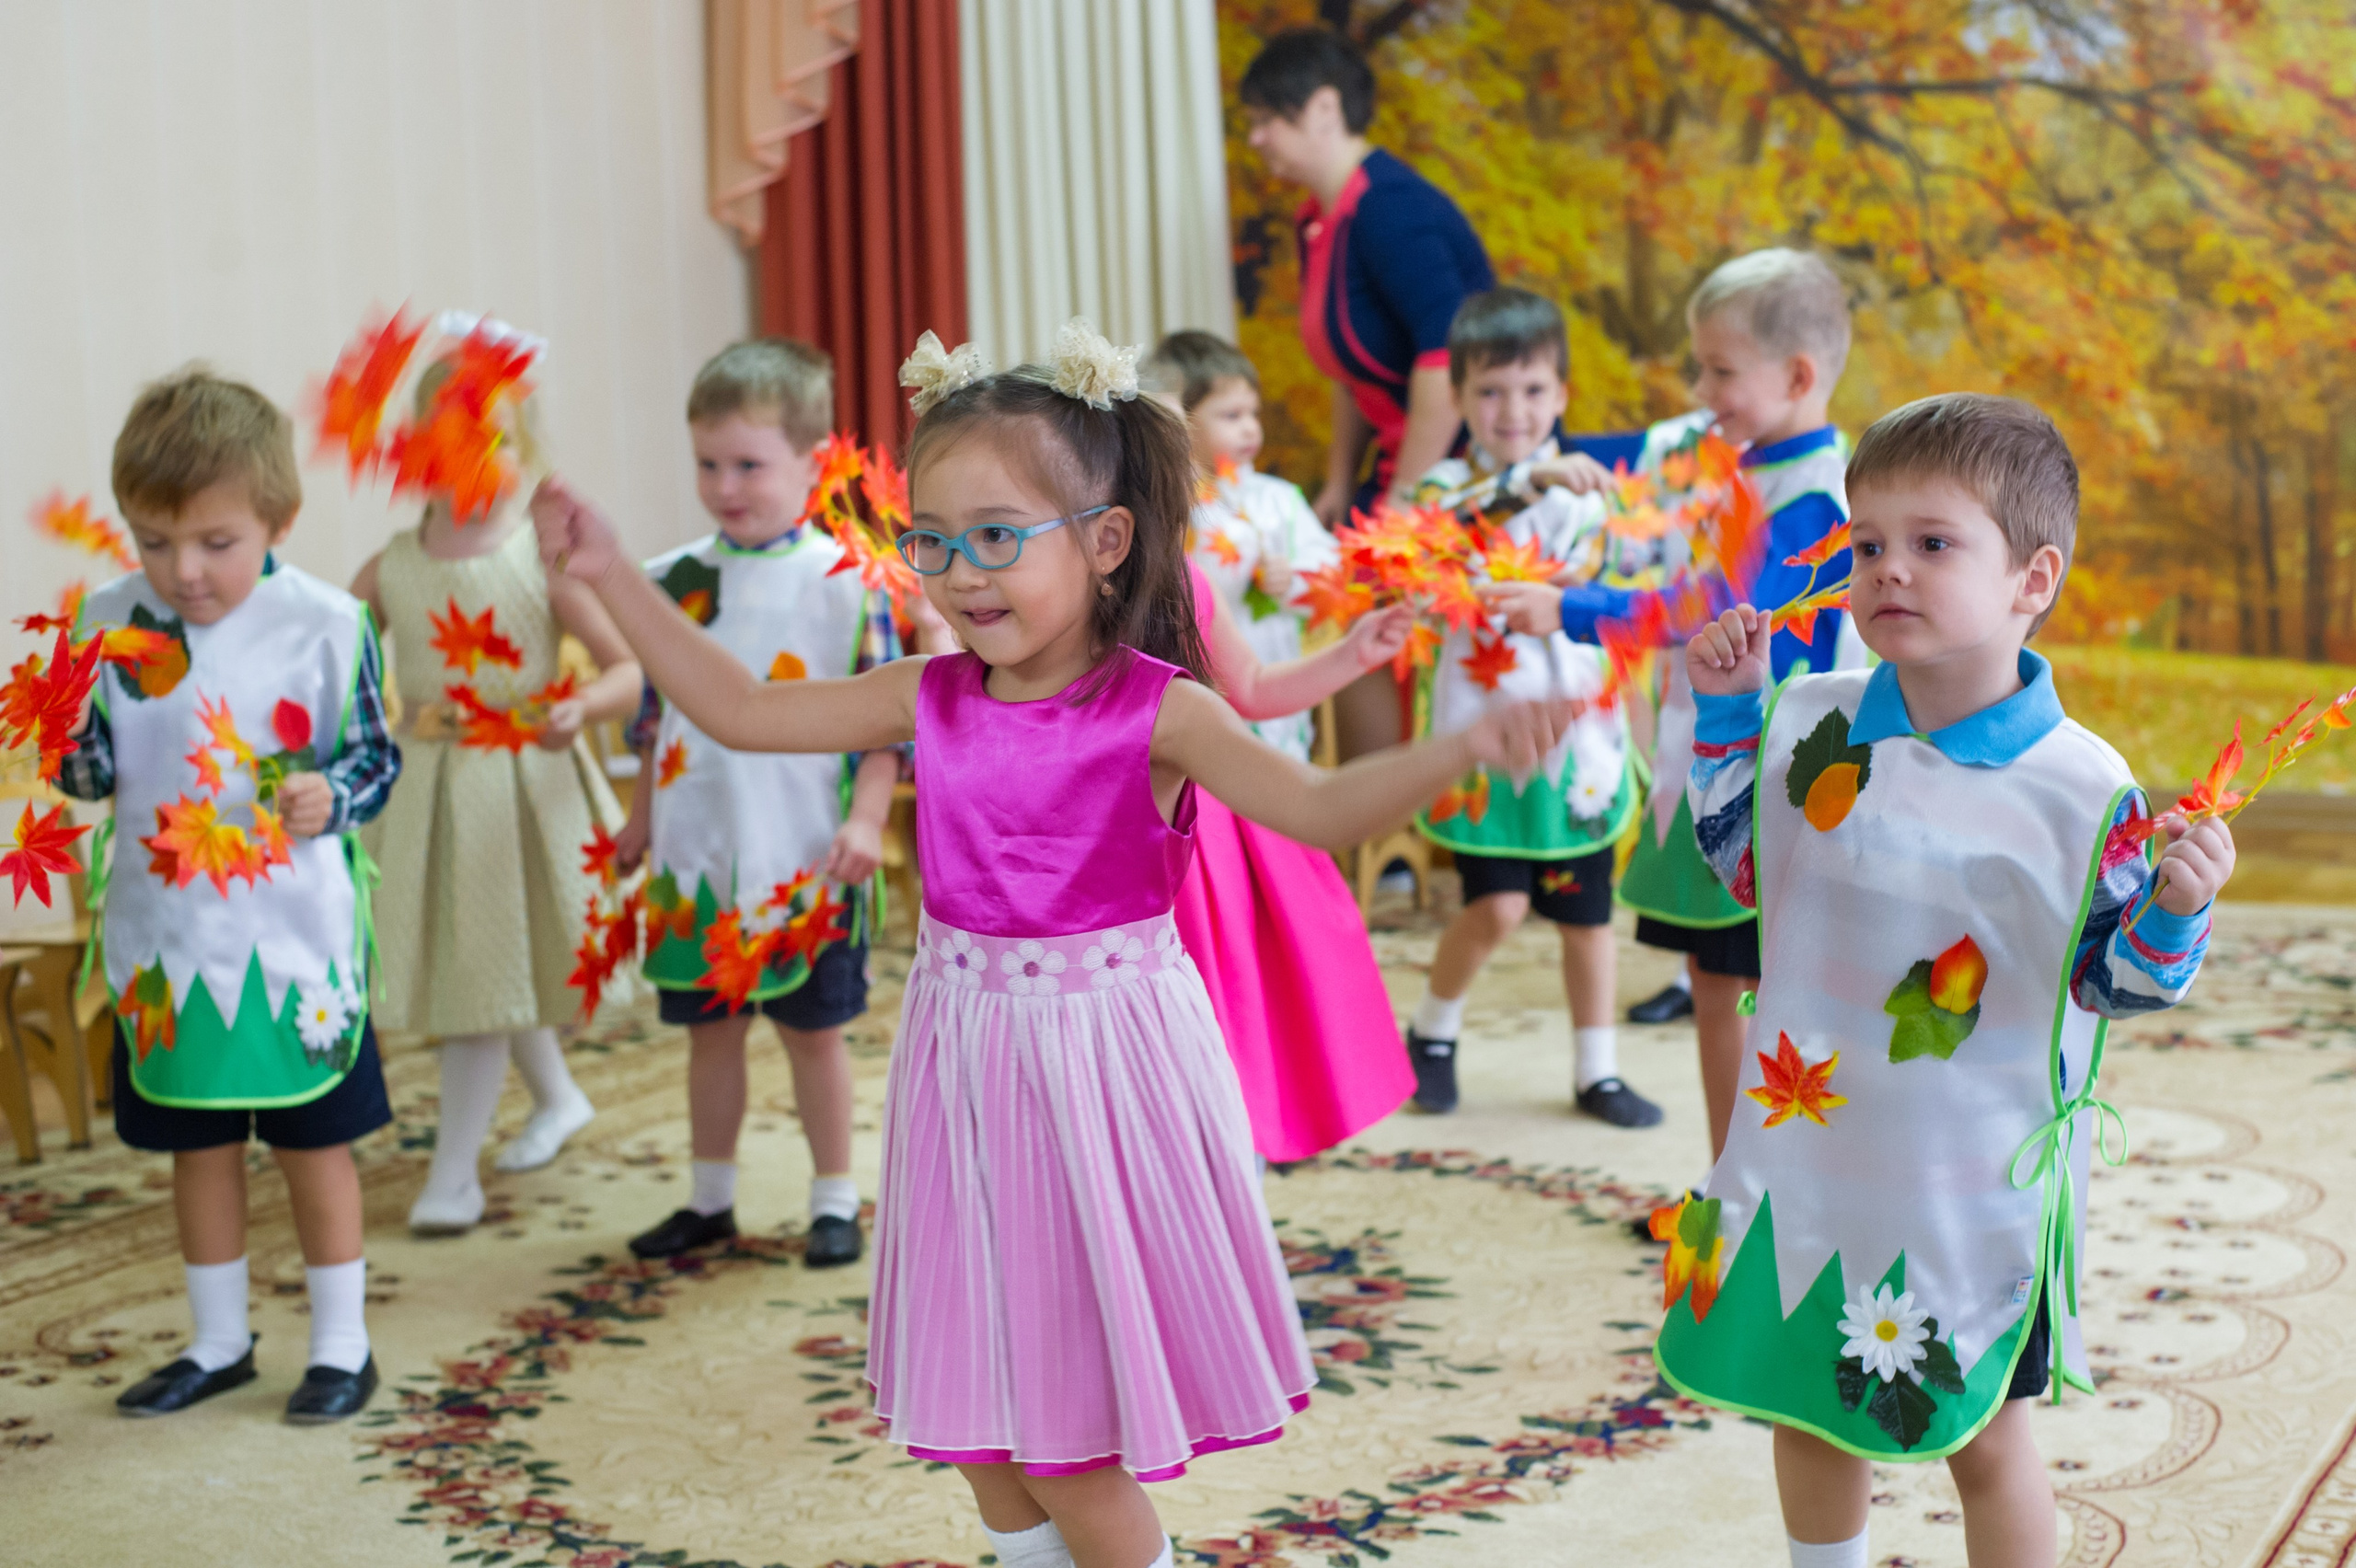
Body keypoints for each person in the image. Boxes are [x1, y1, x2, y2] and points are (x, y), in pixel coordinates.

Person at [528, 317, 1576, 1568]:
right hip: (965, 1063)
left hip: (1103, 1071)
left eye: (997, 538)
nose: (961, 575)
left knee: (1068, 1446)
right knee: (977, 1423)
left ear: (1105, 539)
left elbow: (1316, 808)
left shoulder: (1161, 710)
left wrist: (1460, 748)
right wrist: (610, 573)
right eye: (931, 540)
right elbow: (740, 710)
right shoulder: (928, 695)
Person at [1659, 394, 2236, 1568]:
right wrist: (1725, 715)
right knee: (1801, 1396)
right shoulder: (1811, 721)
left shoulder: (2082, 792)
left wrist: (2177, 911)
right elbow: (1745, 869)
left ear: (2033, 579)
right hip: (1808, 1150)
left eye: (1932, 542)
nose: (1888, 569)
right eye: (1866, 543)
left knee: (1986, 1437)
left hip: (1969, 1187)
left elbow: (2114, 986)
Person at [63, 368, 399, 1422]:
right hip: (168, 937)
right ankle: (218, 1342)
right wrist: (60, 735)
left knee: (311, 1142)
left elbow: (375, 761)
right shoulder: (108, 622)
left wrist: (332, 796)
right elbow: (93, 772)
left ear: (277, 522)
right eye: (153, 541)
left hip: (294, 940)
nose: (184, 572)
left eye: (216, 543)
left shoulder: (330, 623)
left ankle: (342, 1345)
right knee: (196, 1143)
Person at [1484, 249, 1859, 1163]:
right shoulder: (1729, 458)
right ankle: (1732, 1180)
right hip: (1719, 762)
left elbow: (1721, 613)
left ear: (1797, 376)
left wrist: (1572, 609)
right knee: (1717, 981)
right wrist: (1545, 473)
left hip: (1768, 784)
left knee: (1745, 989)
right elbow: (1619, 462)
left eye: (1719, 371)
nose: (1700, 392)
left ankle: (1746, 1192)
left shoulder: (1815, 496)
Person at [352, 318, 643, 1235]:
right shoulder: (392, 567)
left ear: (522, 448)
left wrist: (581, 707)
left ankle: (453, 1176)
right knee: (484, 958)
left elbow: (628, 670)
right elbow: (329, 662)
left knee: (486, 969)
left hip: (521, 791)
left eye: (491, 439)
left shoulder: (539, 560)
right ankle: (557, 1097)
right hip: (428, 794)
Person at [613, 340, 899, 1267]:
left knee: (814, 1037)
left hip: (804, 854)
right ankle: (710, 1199)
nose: (724, 486)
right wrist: (640, 820)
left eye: (748, 465)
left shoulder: (849, 583)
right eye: (708, 464)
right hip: (697, 852)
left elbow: (887, 727)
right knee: (711, 1036)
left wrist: (866, 819)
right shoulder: (671, 580)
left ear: (812, 464)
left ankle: (833, 1198)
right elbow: (656, 717)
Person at [1395, 288, 1656, 1126]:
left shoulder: (1595, 497)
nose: (1514, 409)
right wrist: (1526, 479)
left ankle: (1596, 1071)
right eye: (1492, 390)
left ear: (1562, 395)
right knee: (1497, 906)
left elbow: (1634, 597)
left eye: (1534, 389)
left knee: (1587, 919)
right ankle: (1432, 1034)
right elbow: (1431, 543)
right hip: (1486, 736)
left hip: (1578, 743)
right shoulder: (1446, 489)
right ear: (1460, 399)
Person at [1241, 29, 1495, 520]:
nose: (1255, 138)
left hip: (1465, 476)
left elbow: (1447, 355)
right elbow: (1352, 373)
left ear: (1325, 108)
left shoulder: (1387, 206)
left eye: (1265, 120)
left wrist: (1405, 499)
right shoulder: (1315, 218)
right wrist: (1339, 483)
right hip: (1397, 465)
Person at [1146, 330, 1338, 761]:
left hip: (1272, 672)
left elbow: (1332, 570)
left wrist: (1295, 579)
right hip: (1203, 681)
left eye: (1253, 412)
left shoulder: (1279, 498)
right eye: (1231, 415)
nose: (1250, 427)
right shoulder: (1176, 509)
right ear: (1181, 422)